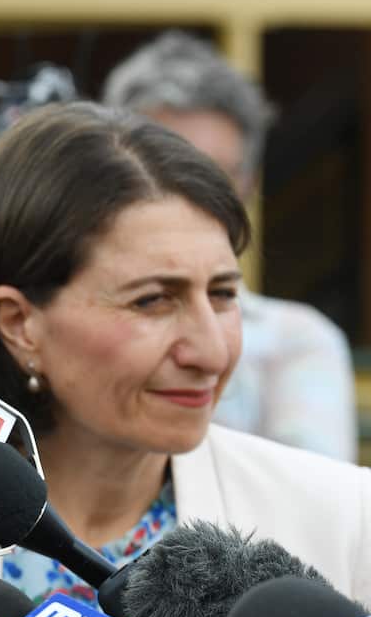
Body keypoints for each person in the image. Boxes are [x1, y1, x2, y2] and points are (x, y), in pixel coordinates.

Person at [0, 102, 371, 611]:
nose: (212, 352)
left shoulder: (342, 521)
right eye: (152, 300)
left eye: (222, 294)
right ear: (19, 323)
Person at [103, 31, 358, 462]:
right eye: (163, 173)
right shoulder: (78, 320)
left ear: (249, 184)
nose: (193, 199)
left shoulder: (297, 339)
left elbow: (310, 506)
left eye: (214, 176)